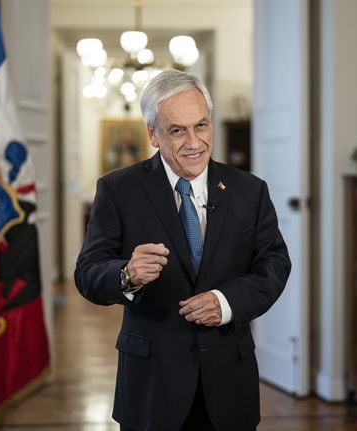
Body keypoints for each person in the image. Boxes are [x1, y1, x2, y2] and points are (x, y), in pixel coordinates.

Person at [74, 70, 291, 431]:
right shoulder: (118, 190)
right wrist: (126, 275)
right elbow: (87, 272)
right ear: (153, 134)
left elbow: (274, 265)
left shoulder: (249, 191)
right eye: (177, 130)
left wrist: (225, 302)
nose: (194, 142)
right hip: (151, 384)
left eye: (201, 126)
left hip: (228, 383)